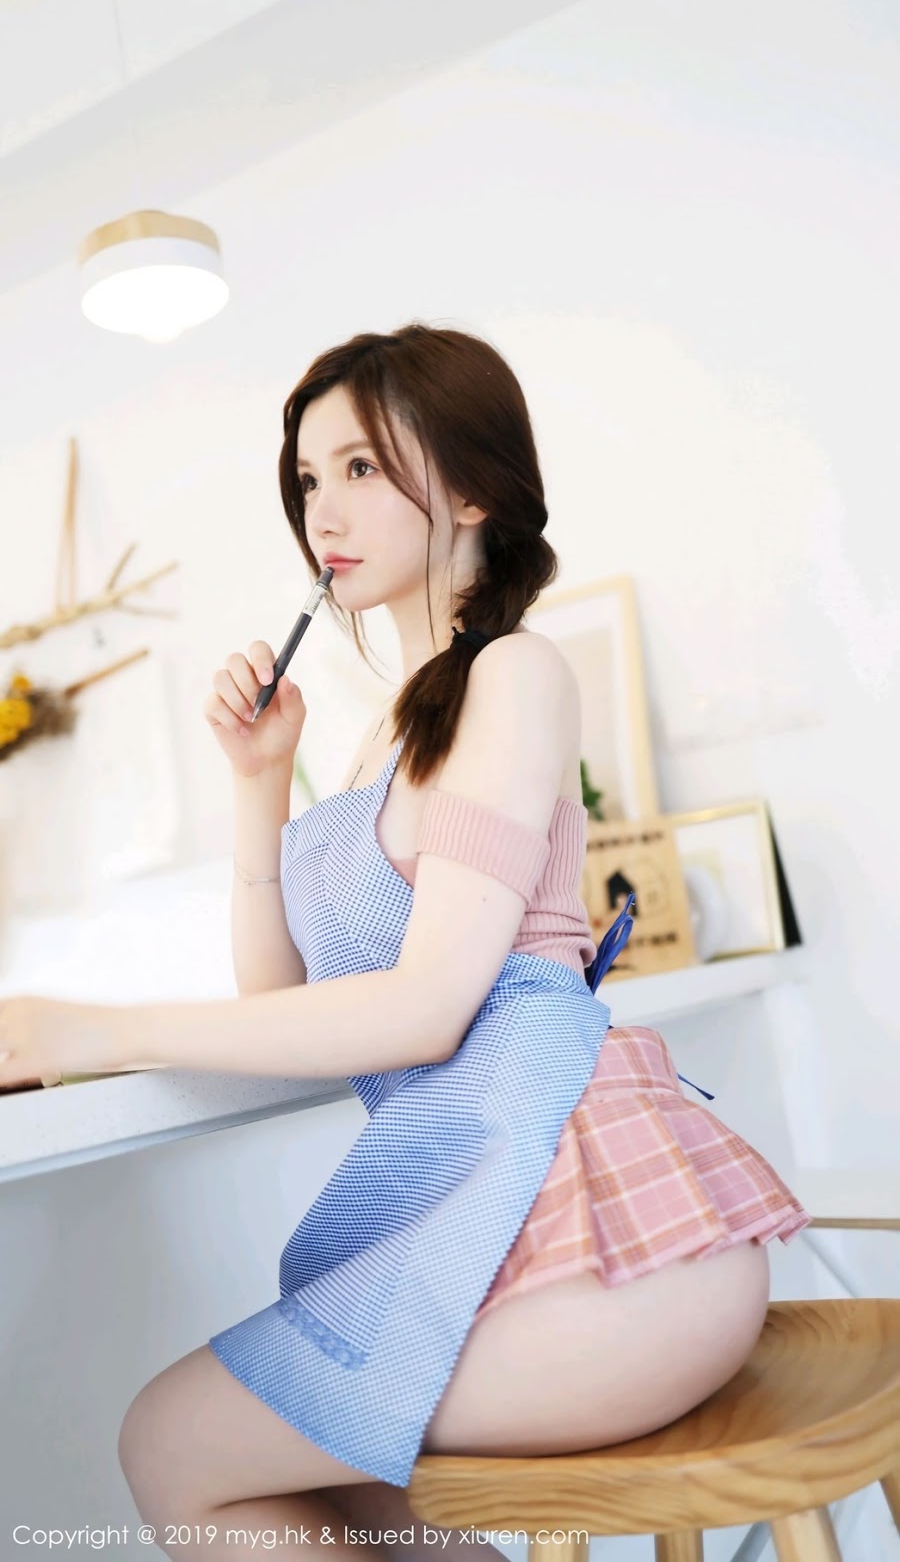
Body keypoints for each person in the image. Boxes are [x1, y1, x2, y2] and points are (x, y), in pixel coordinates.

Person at [0, 324, 810, 1561]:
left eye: (362, 467)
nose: (322, 509)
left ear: (473, 491)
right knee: (342, 1491)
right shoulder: (391, 732)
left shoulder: (516, 674)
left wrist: (86, 1030)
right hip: (502, 1218)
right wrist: (257, 785)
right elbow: (282, 1001)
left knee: (174, 1441)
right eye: (308, 478)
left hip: (609, 1242)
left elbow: (426, 1009)